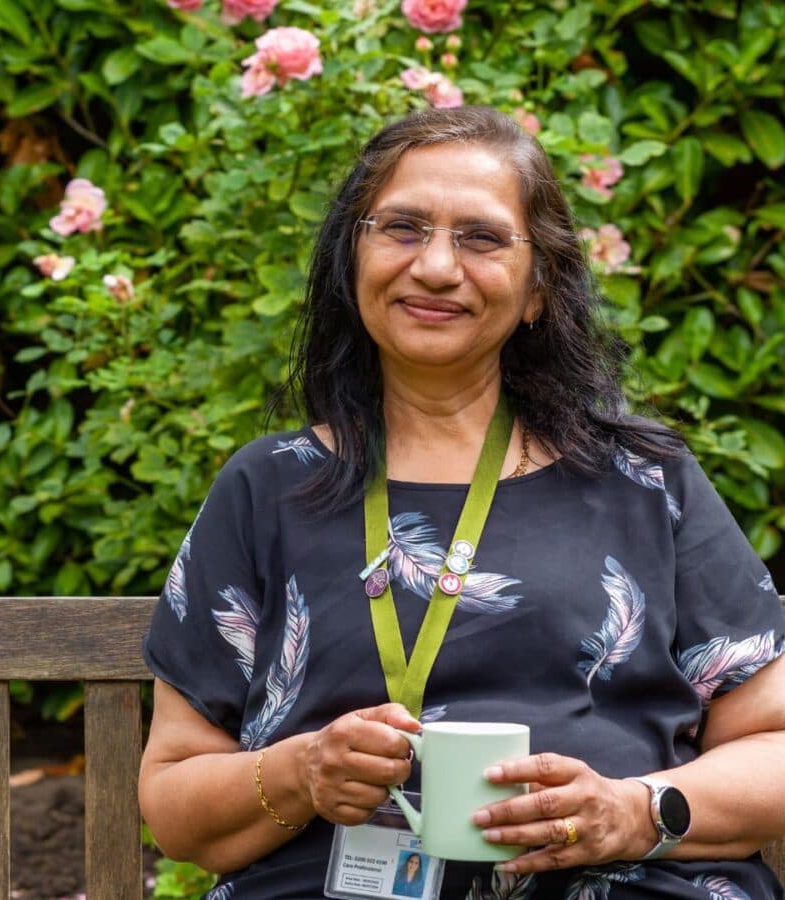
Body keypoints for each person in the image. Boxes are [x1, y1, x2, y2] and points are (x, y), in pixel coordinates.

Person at [138, 106, 785, 899]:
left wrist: (632, 811)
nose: (437, 267)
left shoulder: (644, 481)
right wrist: (301, 770)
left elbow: (774, 744)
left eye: (481, 238)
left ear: (539, 287)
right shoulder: (266, 488)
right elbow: (173, 799)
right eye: (403, 228)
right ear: (353, 259)